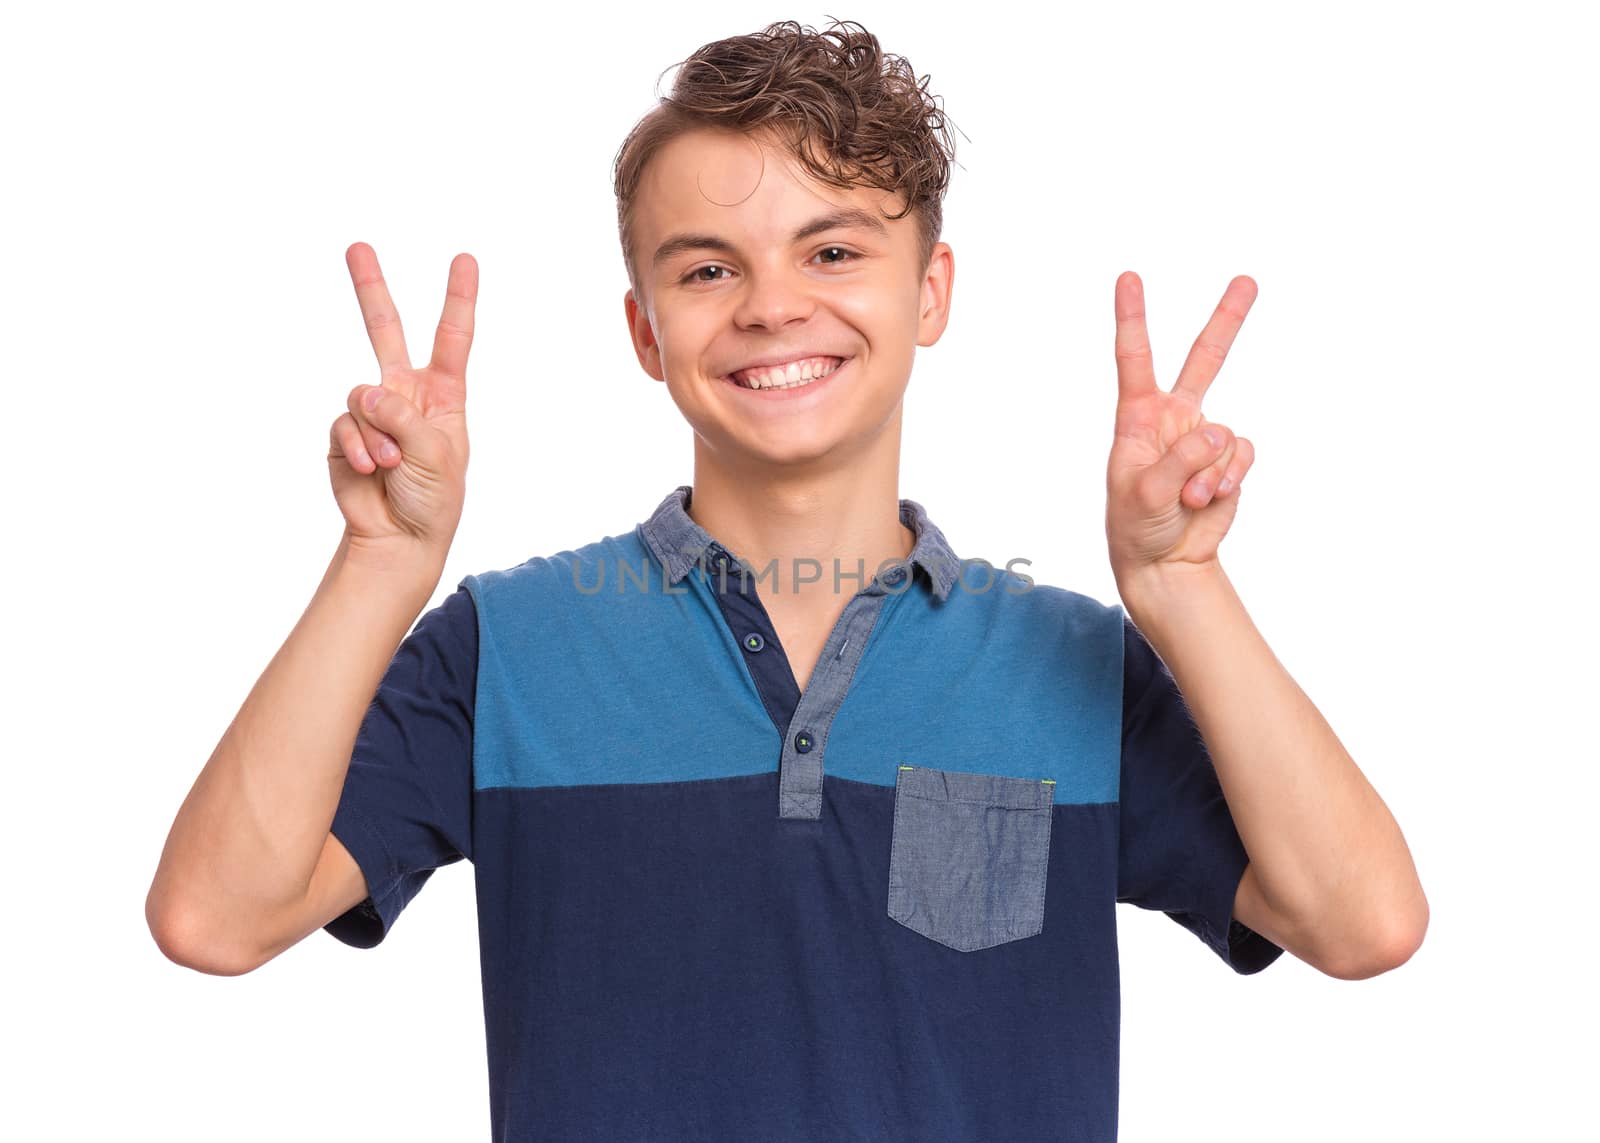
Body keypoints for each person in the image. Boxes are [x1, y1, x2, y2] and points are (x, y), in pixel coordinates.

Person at [146, 17, 1427, 1142]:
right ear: (645, 330)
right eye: (707, 267)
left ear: (929, 292)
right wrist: (381, 562)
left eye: (832, 252)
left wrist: (1182, 588)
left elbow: (1360, 923)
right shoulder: (509, 650)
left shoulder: (1073, 666)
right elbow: (215, 917)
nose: (769, 306)